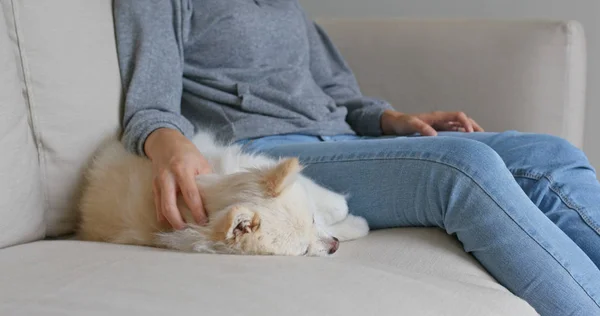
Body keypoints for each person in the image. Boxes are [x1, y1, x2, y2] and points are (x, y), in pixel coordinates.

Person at [113, 1, 600, 315]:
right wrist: (165, 140)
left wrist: (391, 120)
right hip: (276, 160)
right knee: (462, 168)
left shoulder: (287, 7)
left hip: (348, 142)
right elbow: (149, 103)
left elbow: (340, 93)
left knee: (550, 153)